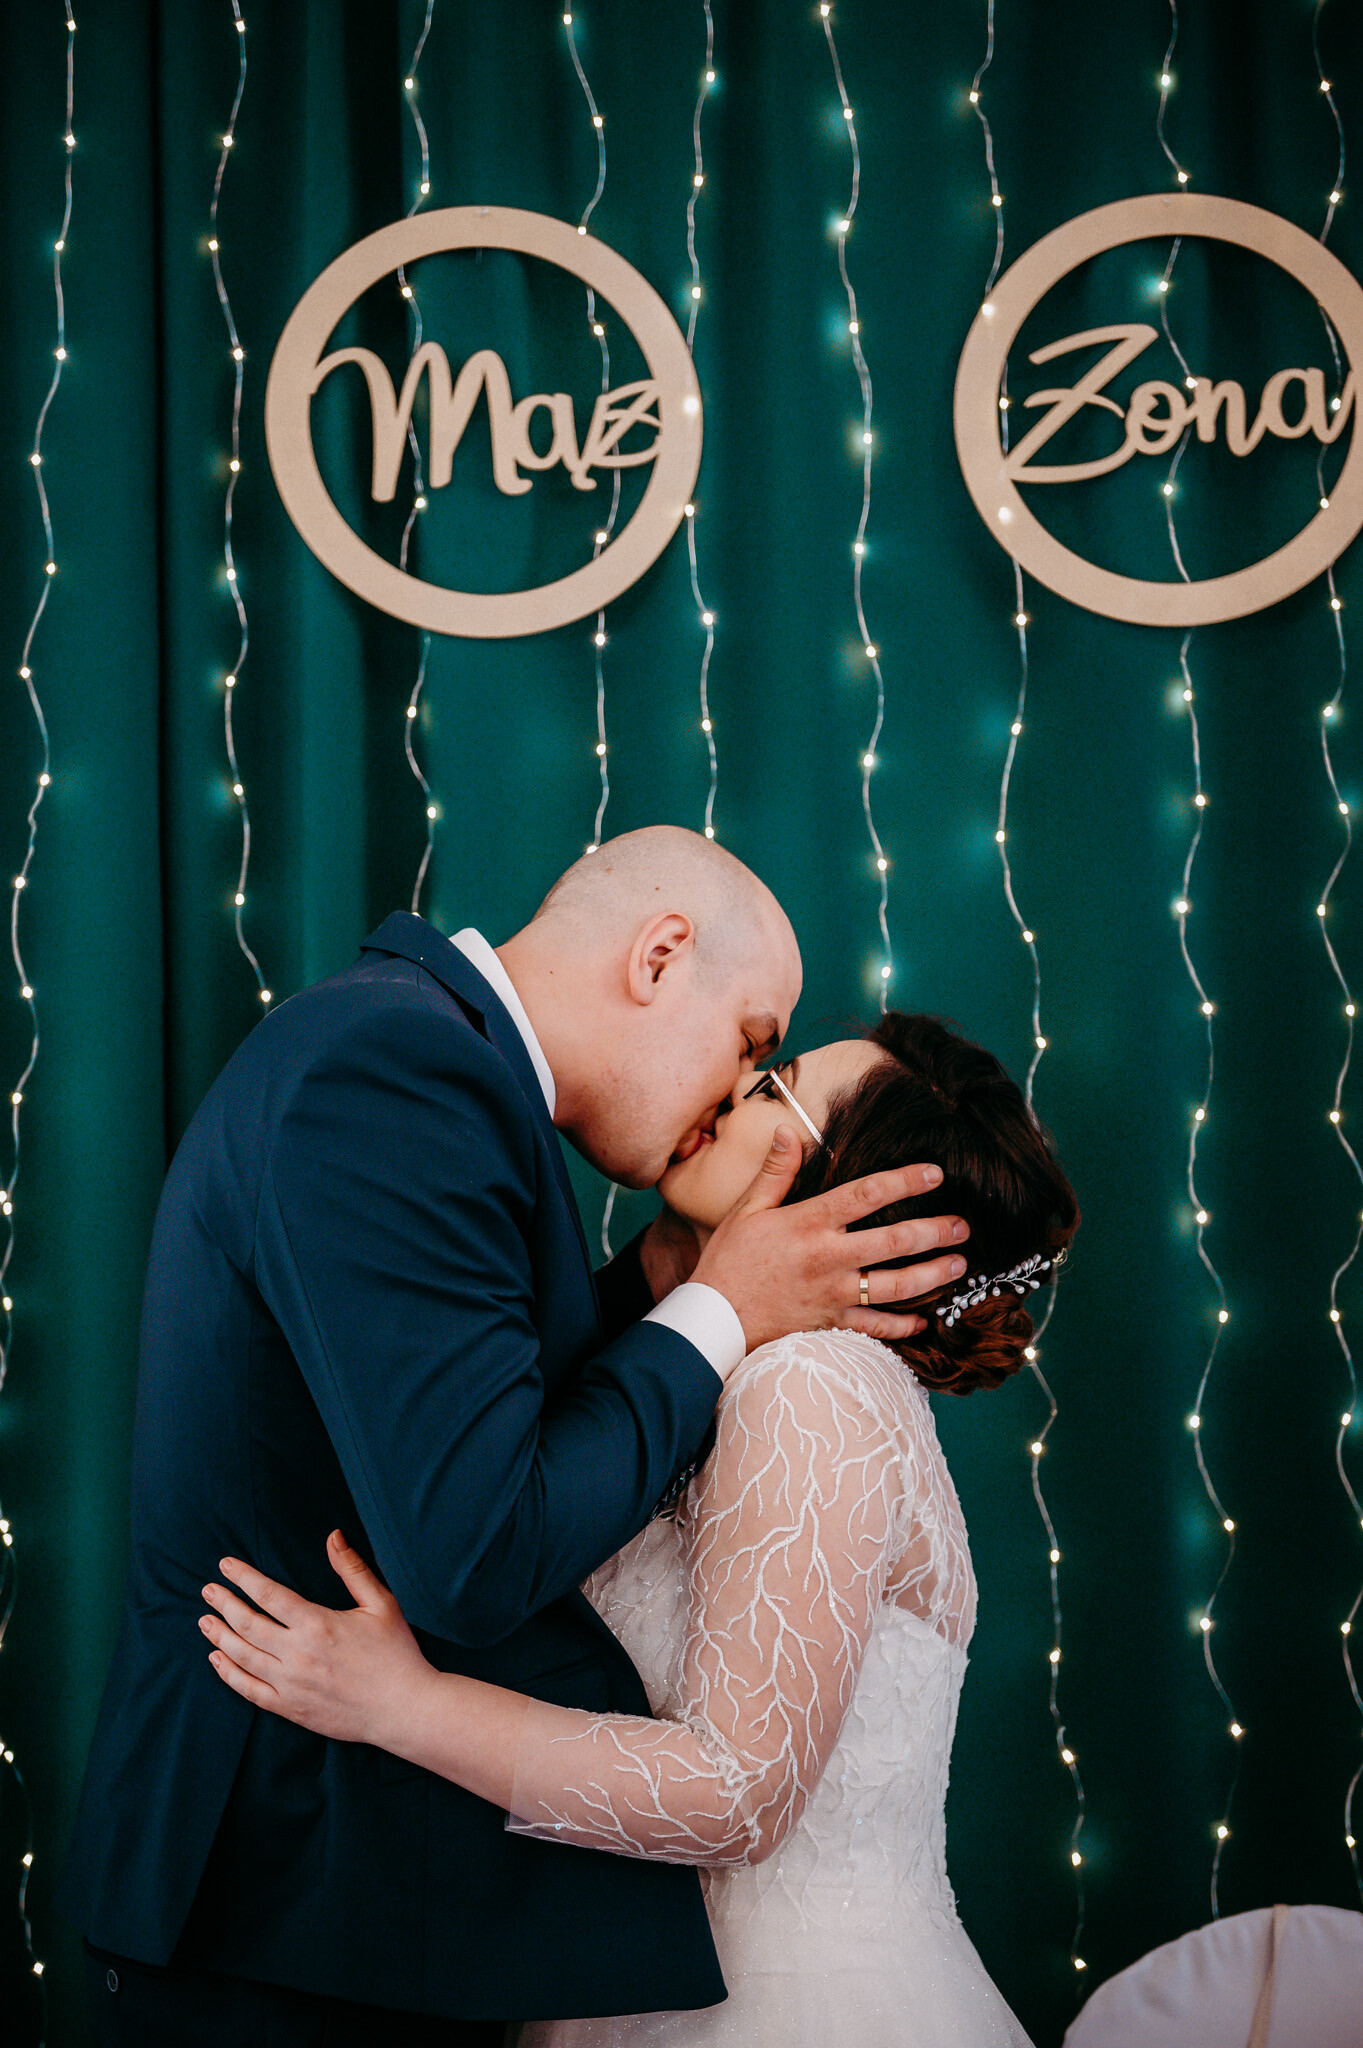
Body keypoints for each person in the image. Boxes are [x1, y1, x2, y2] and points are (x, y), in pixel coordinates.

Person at [58, 827, 970, 2047]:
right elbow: (477, 1547)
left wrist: (666, 1280)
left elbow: (464, 1407)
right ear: (658, 956)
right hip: (284, 1905)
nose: (731, 1096)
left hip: (357, 1916)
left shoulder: (422, 1056)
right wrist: (717, 1306)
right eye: (751, 1045)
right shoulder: (399, 1070)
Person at [199, 1011, 1081, 2047]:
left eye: (774, 1088)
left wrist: (404, 1704)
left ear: (848, 1199)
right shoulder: (724, 1371)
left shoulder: (813, 1386)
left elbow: (738, 1795)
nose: (735, 1084)